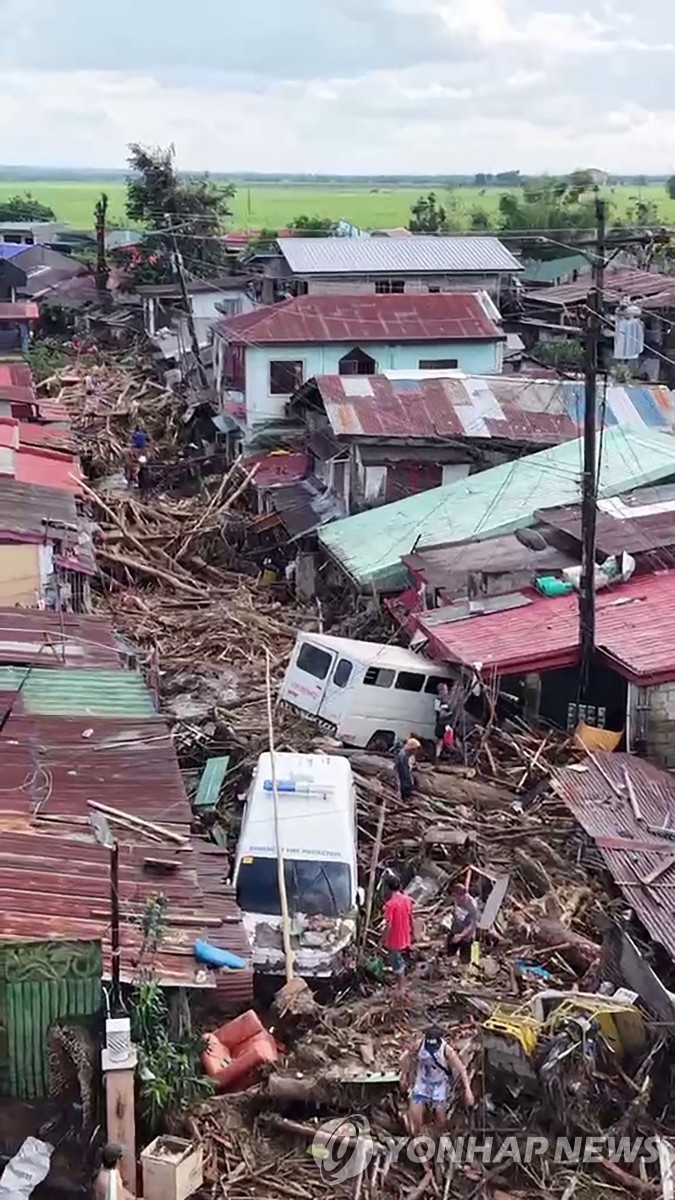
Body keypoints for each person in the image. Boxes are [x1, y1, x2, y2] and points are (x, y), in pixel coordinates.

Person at [401, 1026, 475, 1135]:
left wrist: (468, 1090)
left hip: (439, 1084)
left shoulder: (446, 1049)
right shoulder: (419, 1045)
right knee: (415, 1113)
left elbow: (461, 1069)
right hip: (422, 1083)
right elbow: (405, 1057)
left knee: (441, 1119)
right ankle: (417, 1136)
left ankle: (438, 1137)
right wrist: (404, 1074)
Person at [382, 873, 414, 996]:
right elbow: (411, 917)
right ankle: (401, 985)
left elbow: (389, 926)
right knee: (400, 961)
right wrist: (412, 933)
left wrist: (383, 939)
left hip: (394, 939)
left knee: (396, 963)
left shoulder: (390, 905)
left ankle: (401, 988)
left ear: (388, 888)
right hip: (405, 936)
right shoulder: (407, 900)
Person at [446, 882, 478, 957]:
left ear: (462, 896)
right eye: (453, 896)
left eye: (456, 896)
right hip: (455, 929)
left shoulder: (471, 905)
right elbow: (456, 912)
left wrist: (461, 935)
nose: (454, 898)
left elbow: (471, 924)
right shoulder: (457, 900)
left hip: (465, 935)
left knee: (464, 957)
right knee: (449, 953)